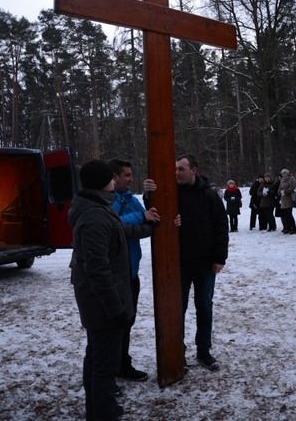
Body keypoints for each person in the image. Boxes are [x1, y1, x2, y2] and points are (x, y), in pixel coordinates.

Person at [68, 160, 155, 421]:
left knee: (96, 356)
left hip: (104, 300)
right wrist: (115, 309)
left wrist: (151, 228)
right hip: (102, 304)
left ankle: (97, 410)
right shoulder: (95, 215)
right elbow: (98, 270)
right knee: (103, 365)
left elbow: (120, 231)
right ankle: (104, 414)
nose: (117, 181)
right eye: (113, 177)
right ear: (106, 181)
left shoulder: (98, 208)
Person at [144, 154, 228, 371]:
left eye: (181, 169)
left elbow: (221, 226)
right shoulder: (170, 192)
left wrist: (220, 258)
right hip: (178, 264)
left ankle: (204, 351)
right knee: (176, 309)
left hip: (205, 263)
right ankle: (176, 352)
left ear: (194, 170)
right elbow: (153, 208)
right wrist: (148, 192)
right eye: (175, 169)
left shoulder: (209, 195)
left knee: (204, 307)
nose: (177, 173)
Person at [108, 158, 160, 382]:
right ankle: (107, 374)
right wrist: (139, 219)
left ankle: (122, 365)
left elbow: (149, 224)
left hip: (131, 273)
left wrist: (145, 212)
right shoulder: (106, 201)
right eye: (127, 175)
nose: (131, 179)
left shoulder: (131, 200)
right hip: (112, 276)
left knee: (127, 321)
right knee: (111, 327)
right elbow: (112, 226)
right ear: (114, 178)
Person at [278, 168, 296, 234]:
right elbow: (280, 188)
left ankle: (293, 228)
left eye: (285, 173)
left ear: (287, 173)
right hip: (283, 199)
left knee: (289, 214)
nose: (284, 175)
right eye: (283, 174)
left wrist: (286, 191)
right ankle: (287, 227)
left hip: (289, 198)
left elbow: (293, 187)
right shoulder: (282, 180)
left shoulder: (291, 179)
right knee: (285, 214)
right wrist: (280, 192)